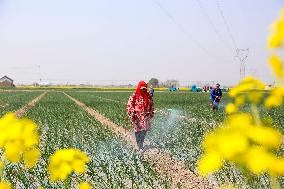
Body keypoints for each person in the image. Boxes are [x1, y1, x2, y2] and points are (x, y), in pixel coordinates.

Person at [126, 81, 154, 152]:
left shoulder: (148, 96)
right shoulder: (134, 95)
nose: (143, 90)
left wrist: (151, 113)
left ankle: (141, 143)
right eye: (142, 88)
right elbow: (129, 105)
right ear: (139, 88)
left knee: (144, 130)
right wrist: (132, 112)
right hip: (137, 116)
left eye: (144, 88)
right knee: (138, 131)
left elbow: (151, 104)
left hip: (145, 116)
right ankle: (139, 145)